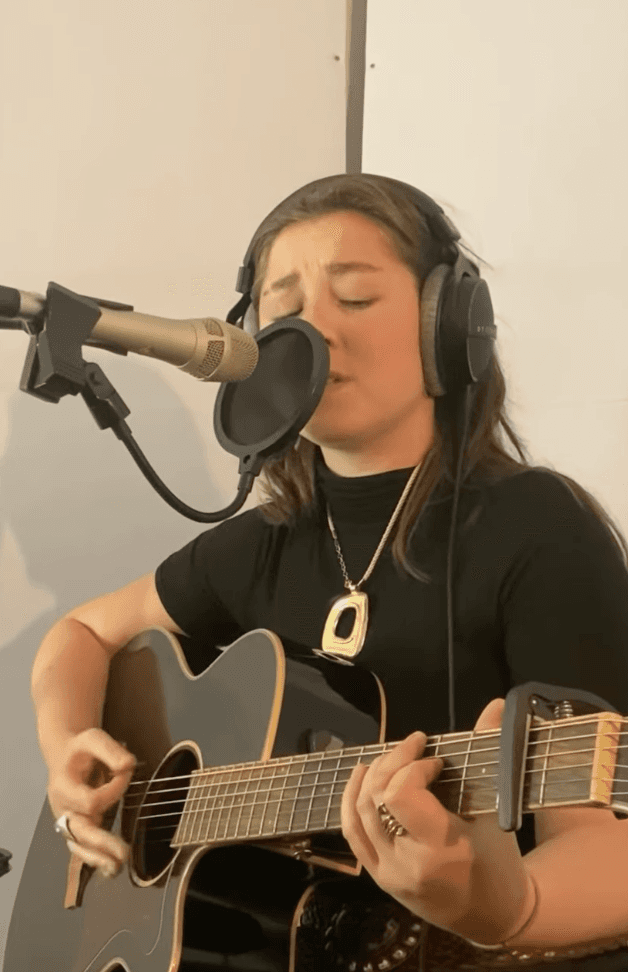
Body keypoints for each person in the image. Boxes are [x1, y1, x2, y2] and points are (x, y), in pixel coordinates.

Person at [30, 175, 628, 970]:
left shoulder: (538, 528)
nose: (313, 333)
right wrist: (68, 749)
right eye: (285, 311)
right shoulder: (261, 544)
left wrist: (505, 905)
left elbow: (608, 848)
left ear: (449, 325)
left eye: (355, 298)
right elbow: (80, 634)